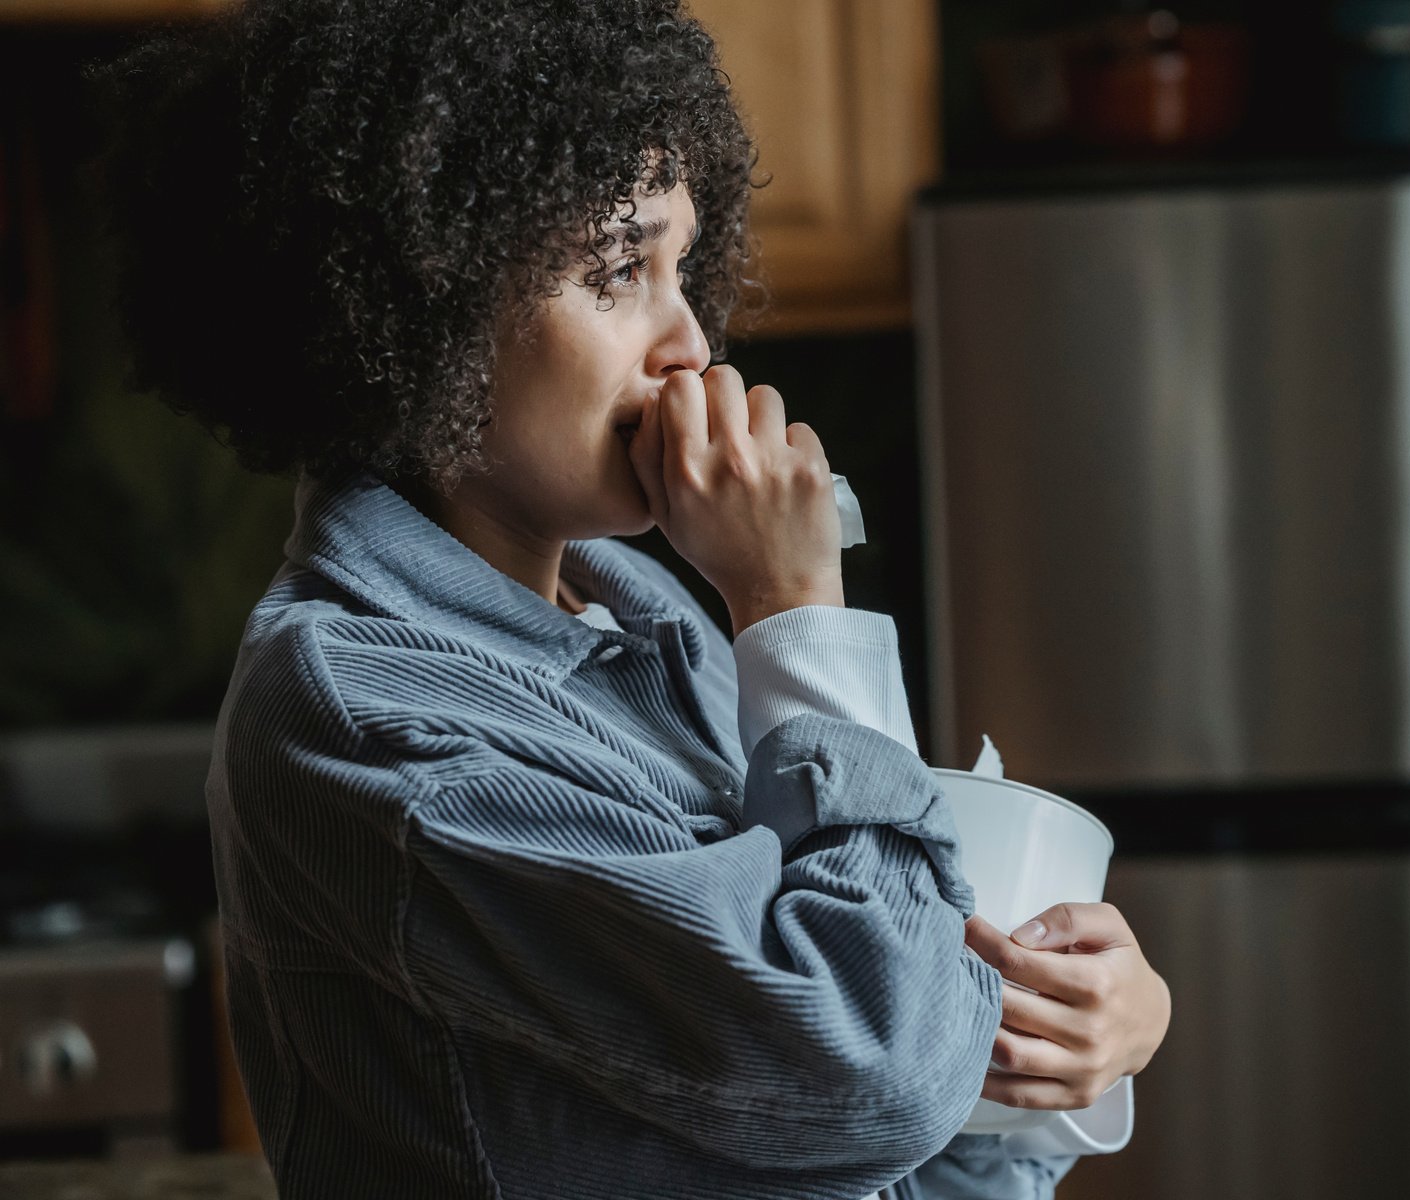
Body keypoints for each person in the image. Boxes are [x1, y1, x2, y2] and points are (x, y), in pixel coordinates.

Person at [83, 2, 1171, 1197]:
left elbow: (880, 1146)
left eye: (681, 268)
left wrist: (1048, 1062)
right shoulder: (365, 711)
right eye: (617, 271)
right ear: (417, 304)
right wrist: (793, 602)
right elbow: (874, 1071)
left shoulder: (648, 623)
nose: (692, 343)